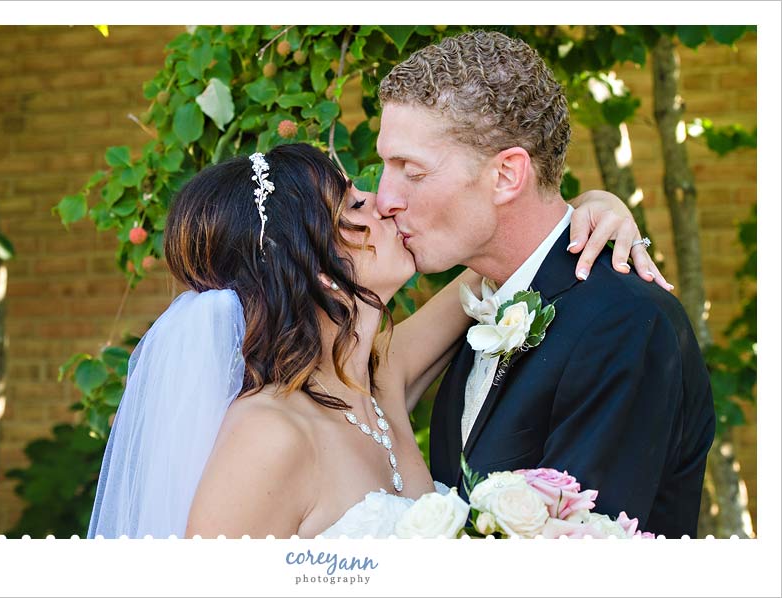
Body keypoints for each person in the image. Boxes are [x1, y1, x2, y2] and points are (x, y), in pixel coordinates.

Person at [87, 142, 662, 539]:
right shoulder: (269, 435)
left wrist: (594, 208)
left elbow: (510, 253)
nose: (383, 203)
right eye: (353, 205)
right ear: (311, 264)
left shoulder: (378, 373)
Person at [375, 30, 715, 538]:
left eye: (412, 171)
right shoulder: (488, 305)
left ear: (508, 175)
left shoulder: (623, 324)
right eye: (386, 166)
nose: (385, 200)